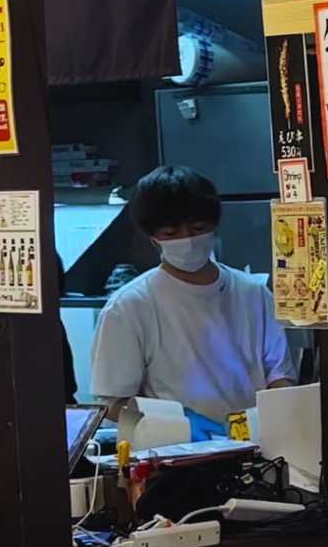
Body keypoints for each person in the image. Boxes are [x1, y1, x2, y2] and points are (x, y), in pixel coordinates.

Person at [90, 166, 292, 441]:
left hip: (254, 452)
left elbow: (279, 377)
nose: (187, 240)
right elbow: (111, 404)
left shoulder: (253, 294)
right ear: (153, 238)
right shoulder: (129, 307)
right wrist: (178, 420)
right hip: (172, 460)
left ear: (214, 227)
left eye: (198, 229)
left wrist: (279, 420)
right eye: (172, 233)